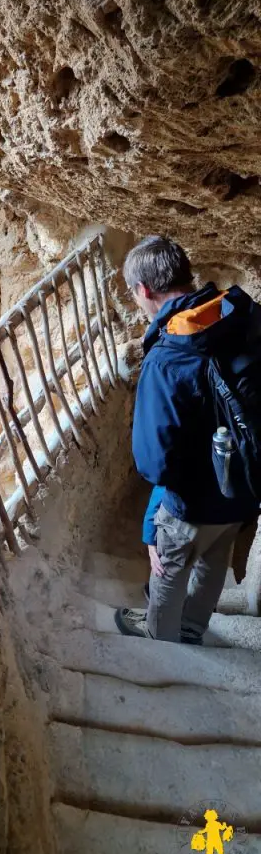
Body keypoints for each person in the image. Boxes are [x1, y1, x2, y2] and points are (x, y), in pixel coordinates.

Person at [115, 235, 260, 643]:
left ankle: (162, 638)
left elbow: (154, 460)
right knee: (215, 561)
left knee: (169, 565)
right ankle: (194, 627)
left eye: (133, 293)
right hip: (245, 481)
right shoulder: (237, 315)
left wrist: (150, 527)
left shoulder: (167, 357)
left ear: (144, 290)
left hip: (191, 498)